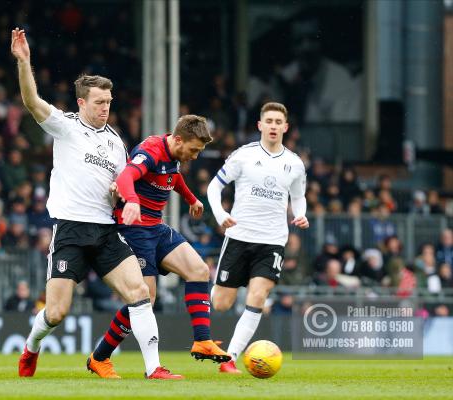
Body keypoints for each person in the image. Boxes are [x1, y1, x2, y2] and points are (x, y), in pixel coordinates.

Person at [11, 28, 181, 380]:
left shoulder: (116, 141)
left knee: (140, 293)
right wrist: (24, 62)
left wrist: (130, 200)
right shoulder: (66, 126)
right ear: (82, 103)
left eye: (109, 102)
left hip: (106, 230)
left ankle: (154, 369)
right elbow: (31, 102)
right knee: (56, 313)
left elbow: (124, 181)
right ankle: (30, 349)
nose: (105, 108)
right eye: (99, 102)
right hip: (71, 229)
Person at [87, 115, 230, 379]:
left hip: (156, 227)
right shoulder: (151, 150)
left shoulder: (174, 156)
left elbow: (171, 178)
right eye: (194, 150)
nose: (196, 156)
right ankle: (101, 357)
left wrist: (190, 198)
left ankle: (202, 340)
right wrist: (131, 201)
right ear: (178, 139)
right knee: (144, 298)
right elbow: (126, 177)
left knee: (199, 270)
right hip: (134, 229)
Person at [207, 102, 309, 373]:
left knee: (258, 295)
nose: (274, 126)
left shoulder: (295, 164)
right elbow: (214, 187)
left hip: (273, 241)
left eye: (279, 122)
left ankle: (229, 358)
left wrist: (301, 214)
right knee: (221, 303)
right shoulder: (243, 156)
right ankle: (204, 324)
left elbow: (299, 198)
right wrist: (220, 215)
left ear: (285, 127)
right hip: (239, 237)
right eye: (269, 121)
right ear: (260, 125)